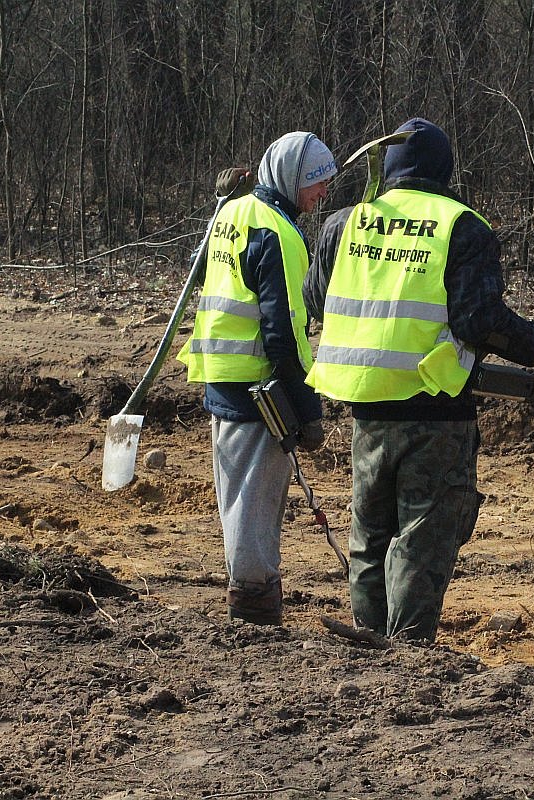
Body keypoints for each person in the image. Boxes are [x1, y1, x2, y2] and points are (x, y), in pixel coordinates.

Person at [304, 117, 534, 642]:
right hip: (436, 410)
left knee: (370, 535)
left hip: (367, 408)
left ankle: (367, 640)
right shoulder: (462, 226)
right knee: (421, 539)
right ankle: (409, 654)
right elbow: (480, 320)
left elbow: (316, 300)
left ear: (388, 167)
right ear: (445, 170)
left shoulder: (344, 223)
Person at [178, 131, 337, 625]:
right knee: (255, 503)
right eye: (317, 185)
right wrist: (308, 408)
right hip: (260, 388)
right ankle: (253, 605)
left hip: (221, 377)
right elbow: (283, 334)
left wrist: (218, 206)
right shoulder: (280, 235)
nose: (323, 196)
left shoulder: (232, 213)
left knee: (237, 499)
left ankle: (251, 595)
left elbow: (196, 270)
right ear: (292, 180)